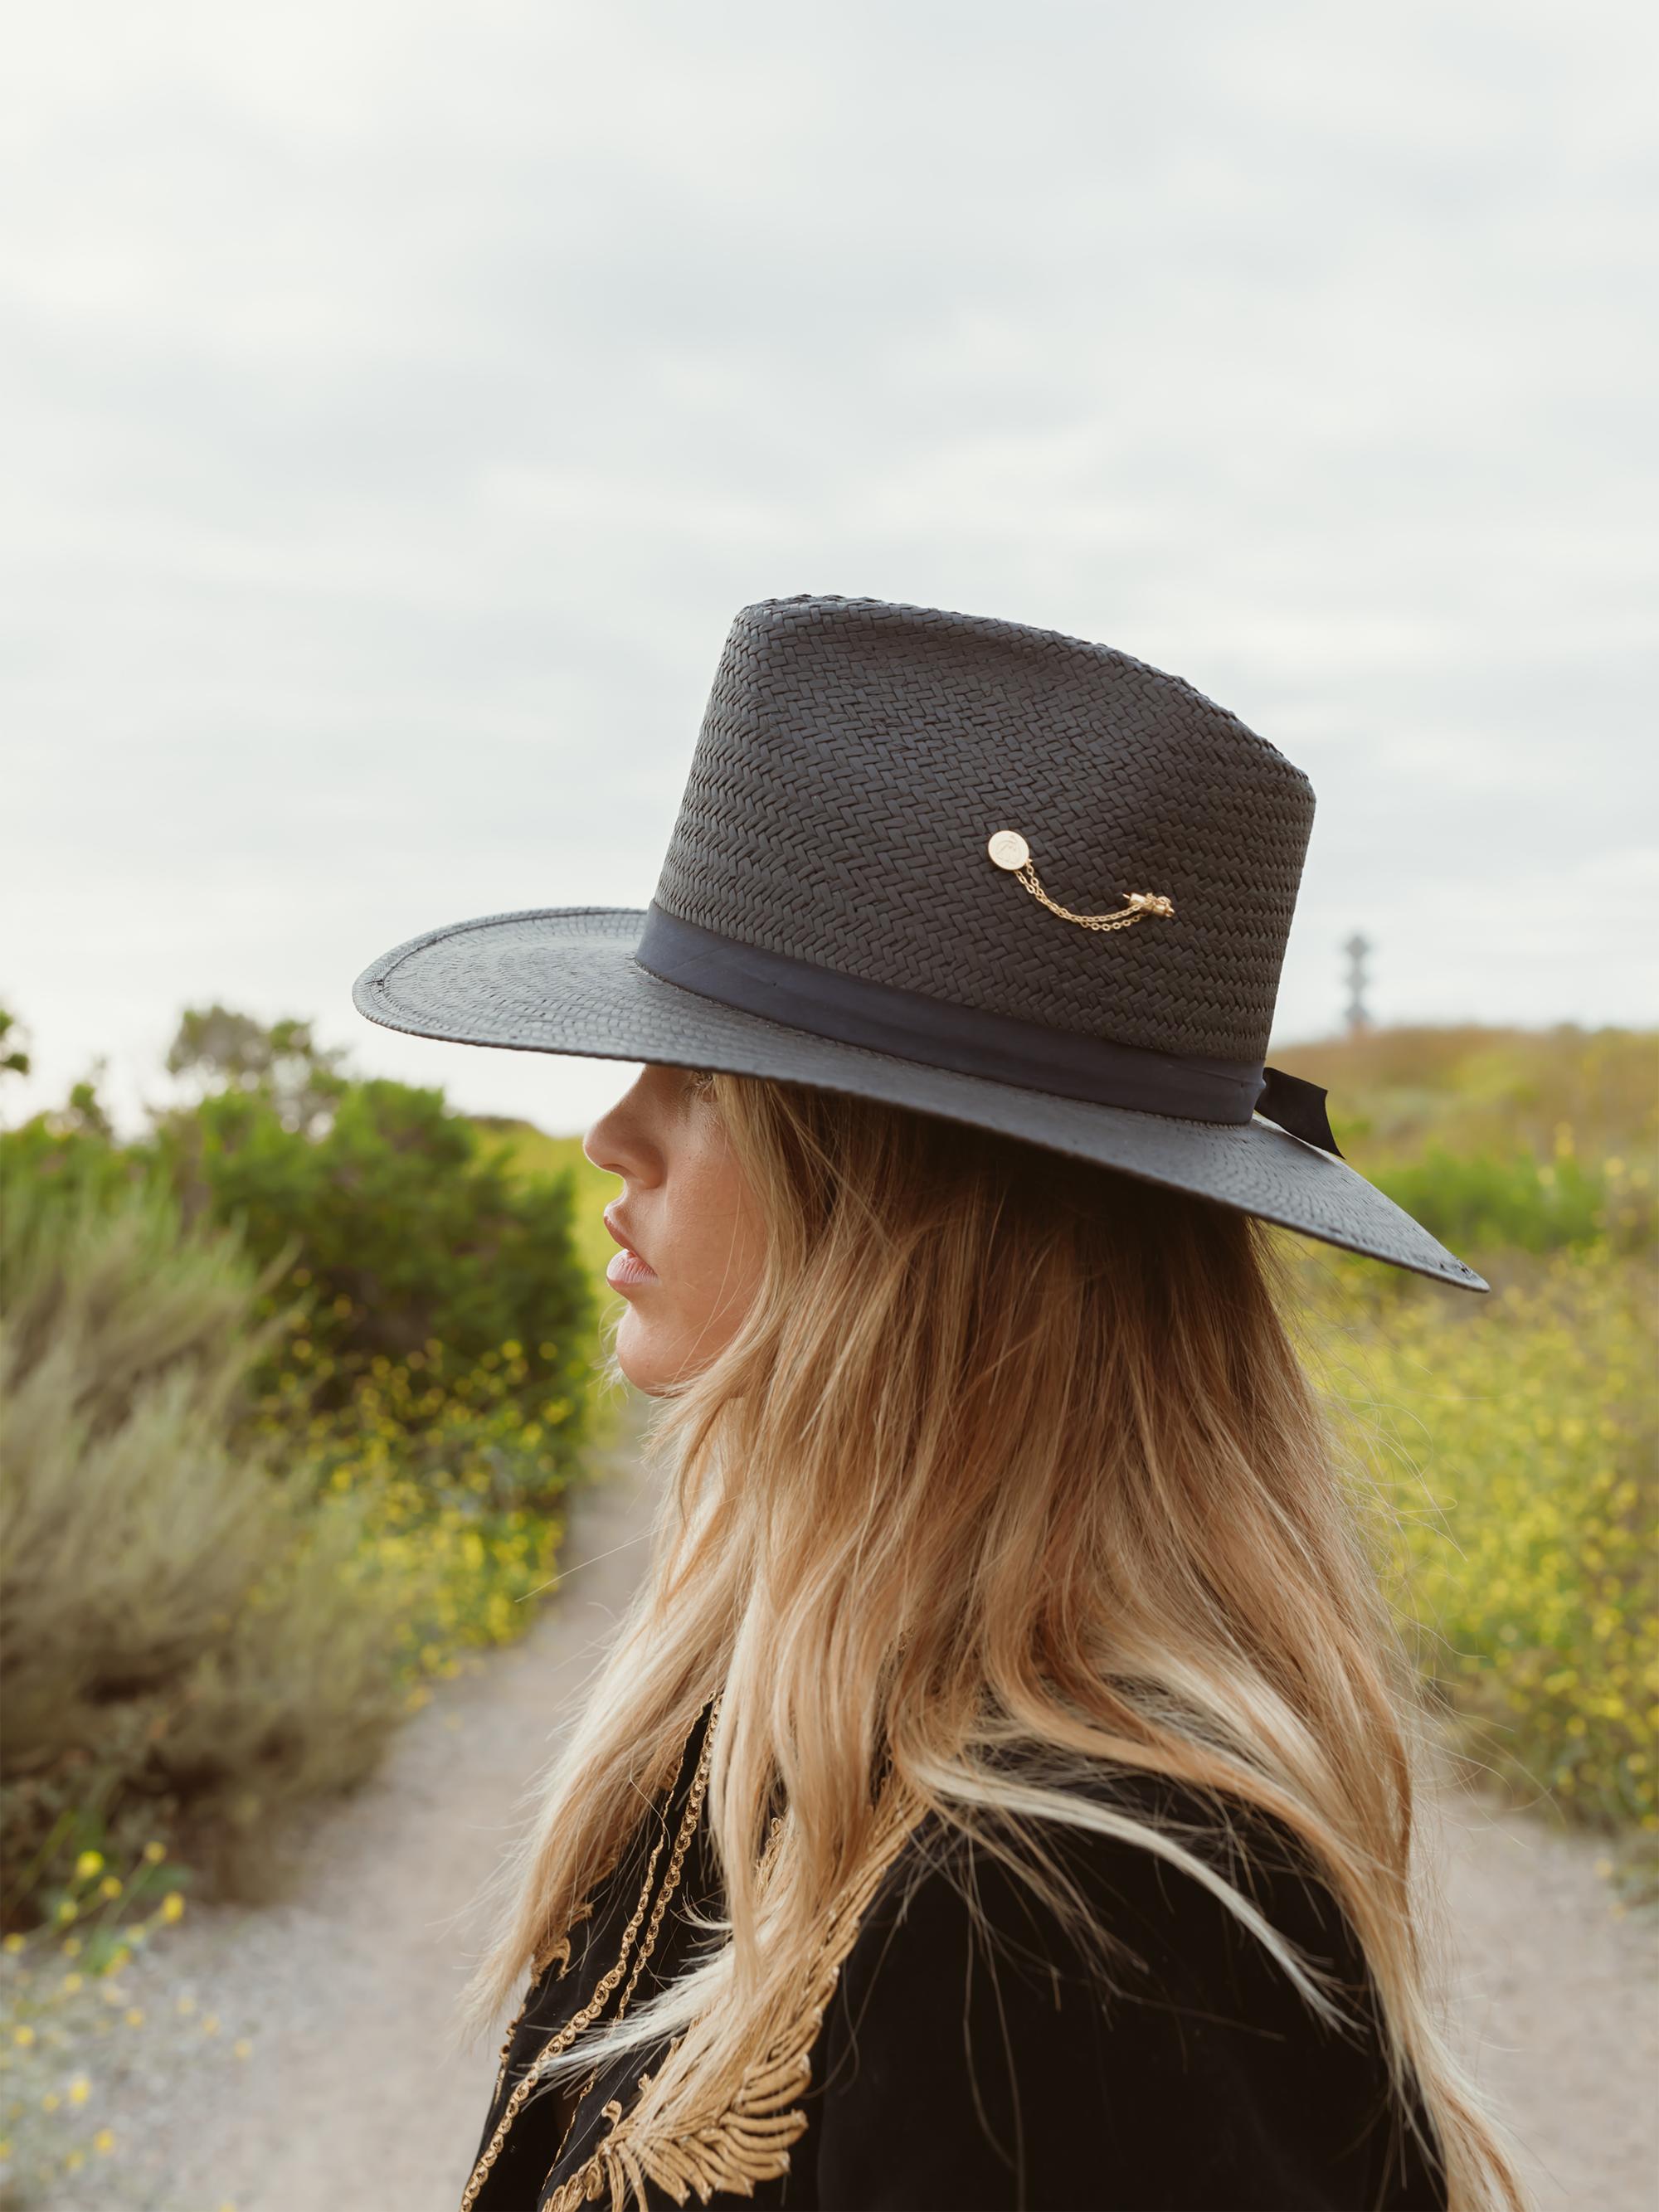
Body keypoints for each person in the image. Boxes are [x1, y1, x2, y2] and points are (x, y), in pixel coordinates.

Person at [354, 596, 1529, 2211]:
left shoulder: (1077, 1912)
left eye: (701, 1075)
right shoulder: (772, 1705)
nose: (612, 1130)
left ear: (902, 1206)